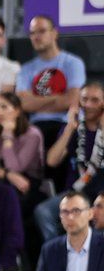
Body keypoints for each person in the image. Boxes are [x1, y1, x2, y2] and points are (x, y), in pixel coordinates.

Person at [36, 82, 104, 242]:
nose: (88, 105)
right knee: (43, 211)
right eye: (84, 99)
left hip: (100, 194)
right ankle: (59, 253)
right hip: (75, 193)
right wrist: (69, 128)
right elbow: (52, 161)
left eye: (95, 100)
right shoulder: (75, 129)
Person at [16, 15, 86, 154]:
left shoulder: (73, 63)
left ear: (54, 33)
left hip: (66, 124)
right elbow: (24, 103)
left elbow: (72, 100)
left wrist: (36, 102)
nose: (36, 36)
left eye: (41, 31)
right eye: (32, 33)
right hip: (36, 127)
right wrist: (56, 98)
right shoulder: (25, 69)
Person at [0, 91, 46, 223]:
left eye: (4, 107)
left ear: (17, 111)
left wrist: (7, 137)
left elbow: (16, 168)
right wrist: (7, 175)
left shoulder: (33, 134)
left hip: (29, 182)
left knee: (9, 197)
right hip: (0, 178)